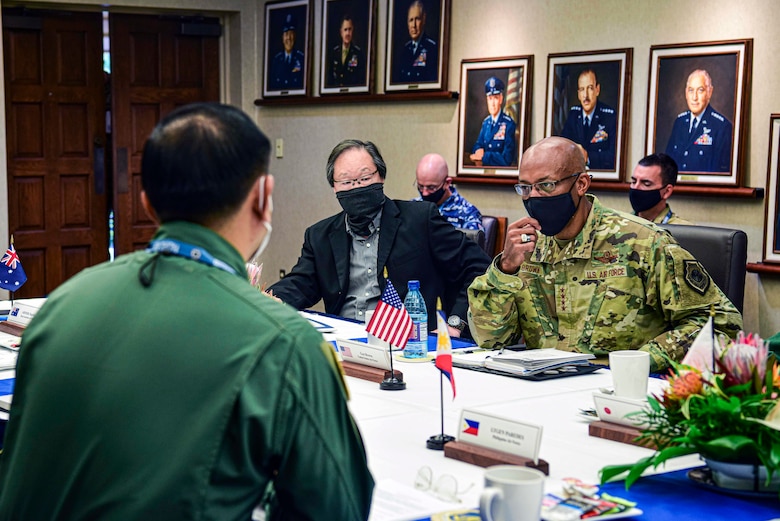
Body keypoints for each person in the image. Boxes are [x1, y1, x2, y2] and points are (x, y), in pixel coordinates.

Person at [0, 104, 374, 520]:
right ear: (263, 199)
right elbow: (339, 507)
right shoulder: (284, 341)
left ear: (147, 205)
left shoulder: (61, 306)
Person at [467, 136, 742, 373]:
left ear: (582, 184)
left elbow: (719, 324)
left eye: (546, 186)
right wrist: (505, 269)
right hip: (544, 389)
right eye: (525, 187)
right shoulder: (527, 247)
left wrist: (642, 361)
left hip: (621, 390)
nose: (533, 197)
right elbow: (491, 340)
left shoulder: (642, 242)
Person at [268, 139, 491, 338]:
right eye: (346, 182)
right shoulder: (320, 235)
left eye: (365, 178)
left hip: (407, 343)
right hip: (344, 343)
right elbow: (301, 283)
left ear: (381, 176)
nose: (355, 187)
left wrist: (456, 323)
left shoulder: (420, 220)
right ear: (333, 187)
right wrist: (269, 300)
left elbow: (477, 267)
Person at [665, 69, 733, 172]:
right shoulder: (679, 122)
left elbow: (722, 174)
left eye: (700, 90)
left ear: (709, 92)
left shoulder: (722, 128)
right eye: (691, 90)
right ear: (686, 93)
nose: (694, 97)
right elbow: (667, 165)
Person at [559, 69, 617, 170]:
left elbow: (614, 157)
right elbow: (562, 150)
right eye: (582, 89)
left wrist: (587, 156)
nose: (585, 95)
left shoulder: (609, 117)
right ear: (578, 94)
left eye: (590, 88)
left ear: (597, 90)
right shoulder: (573, 115)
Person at [413, 153, 484, 231]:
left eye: (431, 188)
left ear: (447, 183)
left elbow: (473, 241)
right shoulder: (412, 207)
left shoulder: (467, 214)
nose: (424, 193)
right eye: (421, 186)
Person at [629, 152, 692, 225]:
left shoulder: (683, 231)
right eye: (634, 181)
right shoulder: (621, 224)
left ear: (666, 191)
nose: (636, 188)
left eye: (646, 184)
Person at [470, 76, 518, 167]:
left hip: (501, 175)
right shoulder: (486, 123)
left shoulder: (509, 124)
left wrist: (484, 156)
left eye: (495, 98)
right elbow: (478, 144)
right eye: (490, 98)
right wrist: (478, 150)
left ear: (501, 99)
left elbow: (507, 159)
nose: (492, 104)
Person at [394, 0, 439, 83]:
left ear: (424, 19)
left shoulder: (432, 48)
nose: (413, 25)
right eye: (411, 20)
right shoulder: (404, 50)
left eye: (417, 19)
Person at [327, 14, 366, 87]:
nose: (348, 33)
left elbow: (361, 80)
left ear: (353, 30)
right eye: (345, 30)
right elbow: (330, 79)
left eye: (349, 29)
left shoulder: (358, 53)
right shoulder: (334, 53)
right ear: (341, 32)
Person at [269, 13, 305, 90]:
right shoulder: (276, 60)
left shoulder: (302, 58)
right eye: (286, 34)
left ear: (295, 36)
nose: (288, 38)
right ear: (282, 37)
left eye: (291, 34)